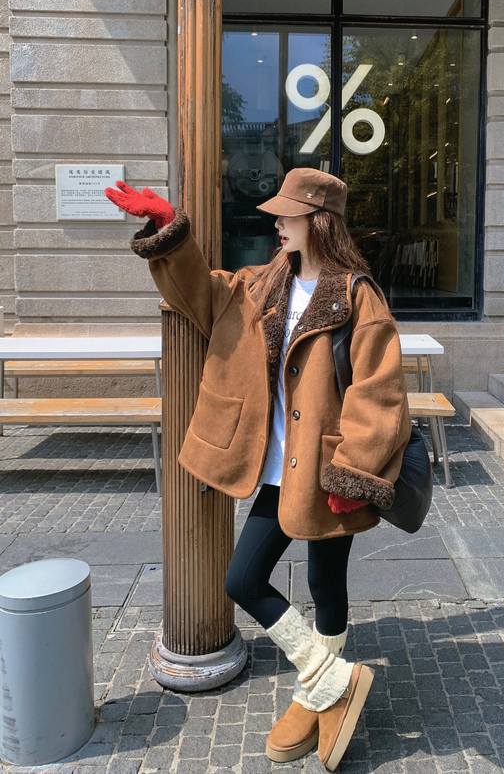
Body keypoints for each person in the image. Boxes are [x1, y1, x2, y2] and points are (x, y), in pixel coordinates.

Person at [104, 168, 412, 771]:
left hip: (326, 469)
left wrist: (355, 471)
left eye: (287, 215)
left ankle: (315, 696)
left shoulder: (358, 296)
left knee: (326, 584)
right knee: (243, 579)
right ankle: (330, 680)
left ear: (318, 222)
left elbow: (380, 391)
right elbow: (195, 290)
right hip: (275, 470)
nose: (276, 224)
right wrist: (168, 230)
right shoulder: (260, 284)